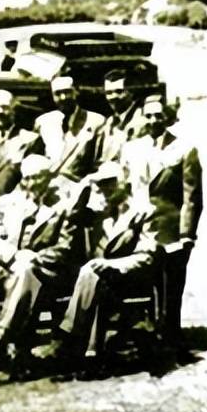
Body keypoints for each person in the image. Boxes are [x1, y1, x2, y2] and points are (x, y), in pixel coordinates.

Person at [0, 155, 85, 379]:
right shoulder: (8, 203)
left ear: (49, 177)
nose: (31, 184)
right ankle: (15, 349)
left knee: (26, 270)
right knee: (23, 271)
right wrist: (14, 256)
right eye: (27, 179)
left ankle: (2, 336)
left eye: (37, 178)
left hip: (51, 272)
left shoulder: (64, 205)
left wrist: (34, 258)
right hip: (12, 268)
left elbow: (65, 248)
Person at [49, 162, 157, 380]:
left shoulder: (143, 213)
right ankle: (91, 357)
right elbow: (70, 217)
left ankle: (69, 335)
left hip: (127, 279)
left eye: (110, 183)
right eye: (101, 184)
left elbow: (147, 256)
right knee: (94, 278)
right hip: (97, 282)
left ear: (124, 184)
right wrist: (84, 186)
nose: (105, 189)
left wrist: (112, 265)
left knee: (92, 273)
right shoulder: (96, 215)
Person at [121, 96, 202, 358]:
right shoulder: (132, 149)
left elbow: (191, 196)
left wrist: (187, 234)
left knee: (171, 285)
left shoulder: (184, 149)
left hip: (169, 229)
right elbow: (124, 190)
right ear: (142, 118)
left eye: (158, 115)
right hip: (138, 227)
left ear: (167, 118)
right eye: (149, 115)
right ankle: (145, 335)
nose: (154, 120)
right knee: (143, 282)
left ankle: (171, 337)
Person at [35, 76, 106, 185]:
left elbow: (99, 162)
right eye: (57, 94)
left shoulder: (96, 121)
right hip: (47, 186)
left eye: (67, 92)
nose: (63, 97)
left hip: (78, 186)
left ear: (76, 92)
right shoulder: (44, 122)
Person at [96, 69, 146, 164]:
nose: (113, 96)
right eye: (108, 93)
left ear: (130, 92)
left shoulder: (140, 119)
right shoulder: (110, 122)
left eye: (119, 91)